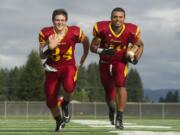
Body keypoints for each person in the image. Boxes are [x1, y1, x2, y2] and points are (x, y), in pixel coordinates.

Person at [90, 7, 144, 129]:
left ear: (124, 18)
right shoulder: (102, 28)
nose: (117, 19)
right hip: (104, 61)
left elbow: (140, 45)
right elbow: (92, 47)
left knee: (120, 85)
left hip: (120, 62)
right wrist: (102, 50)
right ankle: (111, 109)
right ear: (111, 18)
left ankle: (119, 117)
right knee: (109, 92)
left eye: (120, 17)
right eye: (115, 17)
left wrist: (135, 58)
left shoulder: (131, 30)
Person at [38, 9, 89, 131]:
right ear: (53, 21)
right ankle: (59, 120)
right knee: (50, 101)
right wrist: (50, 48)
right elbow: (41, 55)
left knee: (69, 86)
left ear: (66, 21)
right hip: (52, 68)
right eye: (57, 20)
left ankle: (65, 103)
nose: (59, 22)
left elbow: (86, 41)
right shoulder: (45, 33)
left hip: (68, 66)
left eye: (62, 20)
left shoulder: (75, 32)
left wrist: (84, 55)